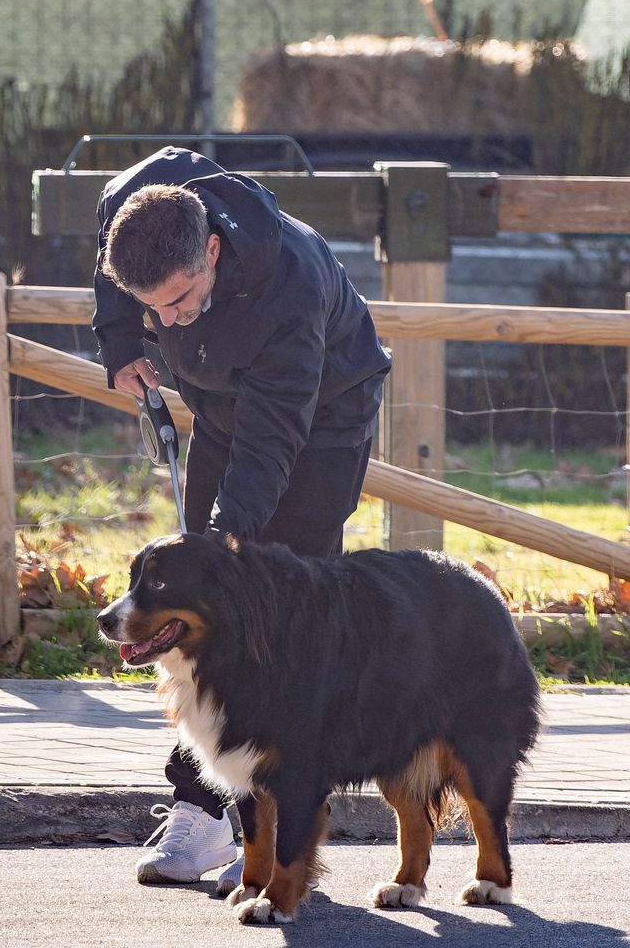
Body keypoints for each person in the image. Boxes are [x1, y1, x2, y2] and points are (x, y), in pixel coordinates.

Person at [92, 145, 391, 887]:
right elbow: (114, 285)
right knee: (193, 609)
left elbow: (274, 436)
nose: (168, 317)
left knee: (286, 617)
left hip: (322, 417)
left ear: (214, 250)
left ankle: (284, 836)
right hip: (222, 406)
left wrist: (230, 534)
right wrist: (122, 339)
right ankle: (200, 816)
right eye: (151, 306)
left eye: (180, 300)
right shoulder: (135, 210)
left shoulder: (289, 290)